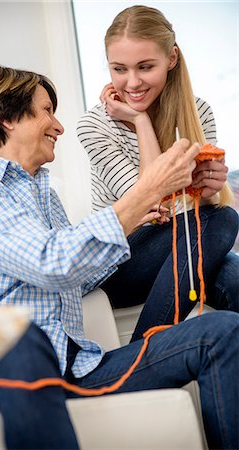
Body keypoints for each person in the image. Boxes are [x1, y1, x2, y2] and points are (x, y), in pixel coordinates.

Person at [0, 64, 238, 450]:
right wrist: (141, 195)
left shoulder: (40, 192)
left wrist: (136, 223)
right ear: (7, 118)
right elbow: (52, 263)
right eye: (47, 110)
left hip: (80, 368)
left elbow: (79, 278)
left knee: (224, 318)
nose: (59, 126)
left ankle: (150, 339)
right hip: (24, 374)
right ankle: (150, 336)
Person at [77, 5, 239, 337]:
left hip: (184, 255)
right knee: (225, 219)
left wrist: (209, 190)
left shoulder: (199, 112)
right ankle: (145, 352)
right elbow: (151, 204)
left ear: (172, 58)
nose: (132, 82)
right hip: (120, 264)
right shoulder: (94, 125)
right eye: (119, 69)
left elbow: (199, 217)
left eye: (145, 67)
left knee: (233, 277)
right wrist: (140, 121)